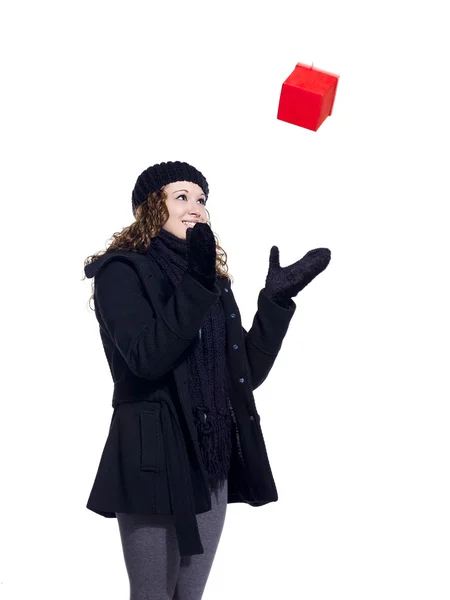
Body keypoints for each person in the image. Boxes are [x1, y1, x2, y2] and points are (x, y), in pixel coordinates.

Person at [83, 160, 331, 600]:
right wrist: (198, 283)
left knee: (190, 595)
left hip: (210, 455)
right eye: (181, 197)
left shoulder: (212, 282)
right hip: (151, 457)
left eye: (202, 200)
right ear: (150, 209)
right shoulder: (119, 272)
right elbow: (146, 357)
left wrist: (274, 305)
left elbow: (241, 377)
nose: (196, 207)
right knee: (153, 595)